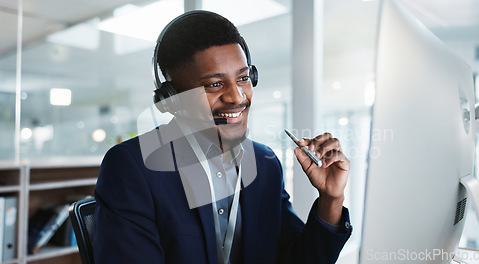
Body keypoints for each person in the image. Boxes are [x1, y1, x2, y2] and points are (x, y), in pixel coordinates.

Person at [93, 11, 352, 264]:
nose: (237, 97)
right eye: (214, 84)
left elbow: (298, 258)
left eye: (243, 78)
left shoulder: (264, 162)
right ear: (171, 98)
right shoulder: (133, 166)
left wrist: (331, 199)